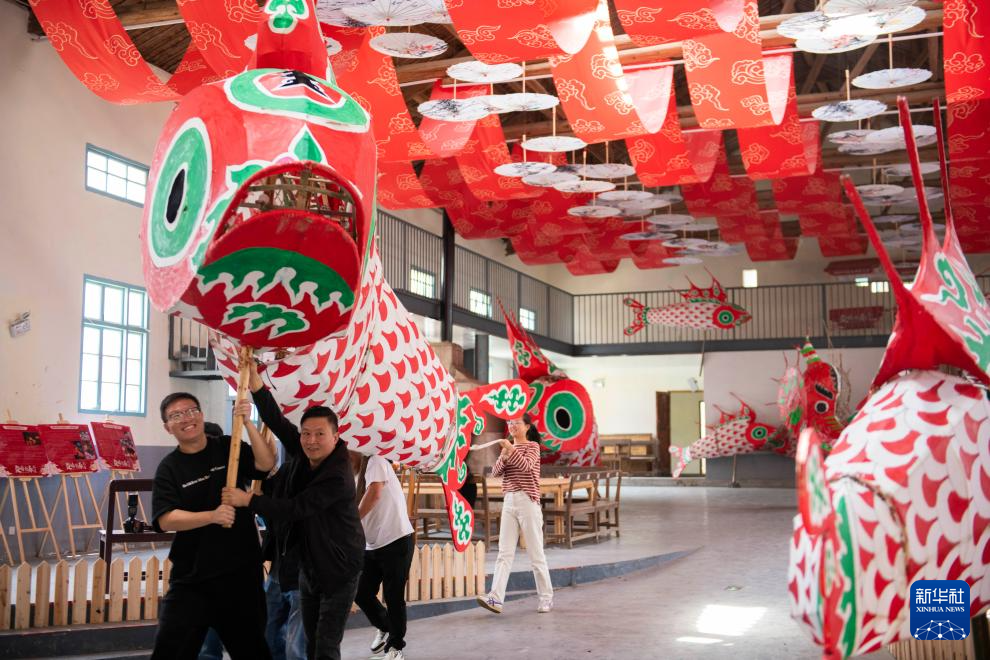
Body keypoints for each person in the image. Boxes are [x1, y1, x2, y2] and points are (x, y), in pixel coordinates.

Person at [223, 369, 364, 660]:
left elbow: (296, 508)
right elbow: (276, 421)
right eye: (306, 434)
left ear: (336, 436)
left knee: (325, 646)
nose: (311, 440)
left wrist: (248, 500)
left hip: (338, 569)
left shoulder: (337, 475)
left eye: (320, 434)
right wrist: (257, 384)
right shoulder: (304, 453)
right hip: (309, 565)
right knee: (310, 642)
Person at [151, 392, 276, 660]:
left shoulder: (229, 447)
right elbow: (166, 518)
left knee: (253, 650)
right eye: (176, 415)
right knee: (170, 652)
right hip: (193, 578)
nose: (186, 418)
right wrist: (212, 516)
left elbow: (265, 464)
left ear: (201, 414)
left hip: (240, 575)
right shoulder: (169, 468)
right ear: (167, 427)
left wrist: (248, 423)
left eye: (190, 410)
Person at [477, 413, 554, 615]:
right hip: (509, 500)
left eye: (516, 422)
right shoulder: (508, 448)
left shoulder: (533, 447)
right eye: (510, 422)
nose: (512, 425)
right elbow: (495, 473)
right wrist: (504, 455)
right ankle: (495, 598)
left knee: (536, 553)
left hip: (528, 500)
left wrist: (510, 450)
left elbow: (526, 467)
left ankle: (546, 598)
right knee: (504, 553)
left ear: (527, 426)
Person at [352, 453, 415, 660]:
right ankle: (386, 626)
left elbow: (375, 493)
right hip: (372, 544)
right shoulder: (351, 473)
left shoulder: (375, 461)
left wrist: (350, 521)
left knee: (393, 596)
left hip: (396, 539)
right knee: (361, 592)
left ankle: (396, 648)